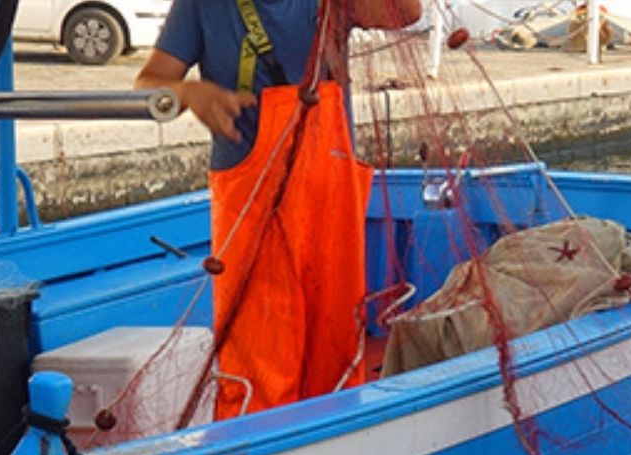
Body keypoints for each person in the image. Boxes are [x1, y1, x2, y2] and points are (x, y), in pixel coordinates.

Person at [135, 0, 419, 418]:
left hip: (330, 199)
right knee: (258, 356)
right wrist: (187, 92)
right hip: (251, 204)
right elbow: (148, 83)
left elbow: (404, 11)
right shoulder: (202, 6)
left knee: (335, 348)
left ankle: (335, 447)